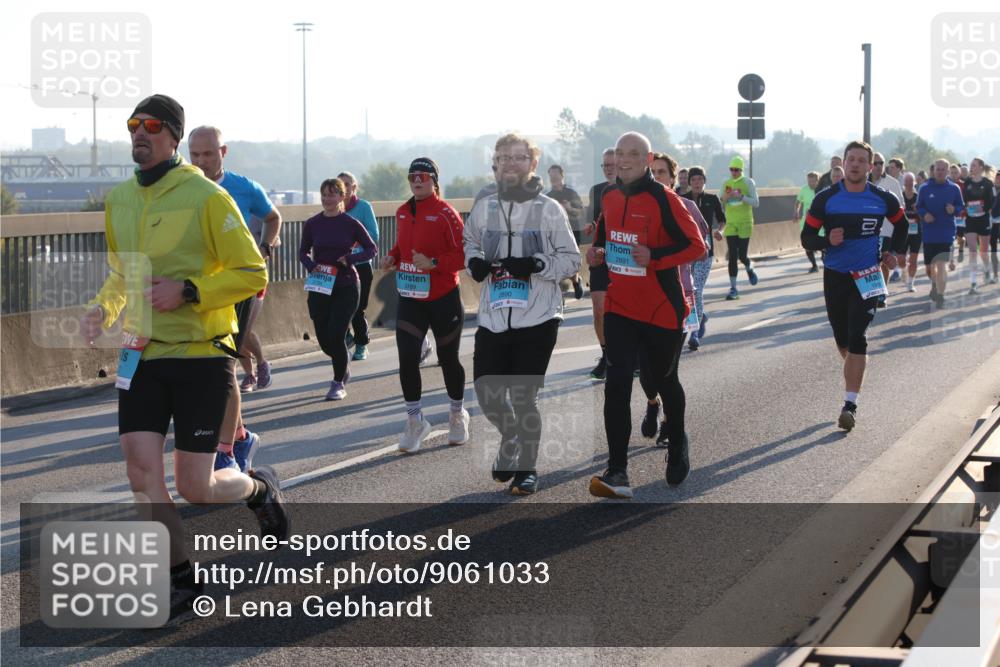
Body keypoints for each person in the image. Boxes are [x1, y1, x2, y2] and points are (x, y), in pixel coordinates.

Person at [79, 94, 288, 621]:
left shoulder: (205, 196)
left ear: (174, 136)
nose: (139, 134)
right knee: (140, 473)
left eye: (150, 126)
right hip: (142, 355)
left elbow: (251, 272)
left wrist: (190, 290)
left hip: (200, 356)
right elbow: (121, 273)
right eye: (133, 126)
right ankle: (179, 577)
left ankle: (259, 487)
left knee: (197, 487)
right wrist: (103, 309)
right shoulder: (121, 199)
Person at [587, 132, 706, 499]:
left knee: (664, 380)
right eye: (619, 153)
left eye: (633, 154)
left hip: (661, 309)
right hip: (621, 307)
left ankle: (678, 439)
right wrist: (597, 253)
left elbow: (696, 246)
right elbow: (606, 238)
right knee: (617, 382)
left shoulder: (665, 199)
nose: (624, 160)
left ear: (647, 157)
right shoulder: (608, 195)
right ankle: (617, 471)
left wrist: (654, 258)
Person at [464, 133, 580, 495]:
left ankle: (527, 469)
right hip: (494, 316)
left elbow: (571, 260)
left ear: (532, 164)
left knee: (523, 396)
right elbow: (470, 242)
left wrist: (534, 263)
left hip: (539, 316)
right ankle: (510, 437)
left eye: (518, 158)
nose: (510, 164)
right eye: (503, 158)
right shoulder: (484, 207)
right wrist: (474, 264)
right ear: (495, 164)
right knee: (487, 392)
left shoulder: (549, 209)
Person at [187, 125, 281, 474]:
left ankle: (225, 451)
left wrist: (266, 246)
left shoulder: (243, 188)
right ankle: (240, 436)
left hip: (243, 285)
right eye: (193, 155)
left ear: (222, 152)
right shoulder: (183, 188)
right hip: (202, 289)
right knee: (208, 369)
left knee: (222, 365)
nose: (200, 162)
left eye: (208, 154)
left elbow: (273, 217)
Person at [801, 140, 908, 431]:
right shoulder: (825, 199)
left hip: (868, 275)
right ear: (844, 163)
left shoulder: (882, 198)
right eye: (851, 159)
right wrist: (826, 241)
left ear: (870, 166)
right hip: (835, 275)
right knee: (843, 341)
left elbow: (902, 224)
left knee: (858, 334)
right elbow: (806, 237)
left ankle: (850, 404)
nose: (856, 164)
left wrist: (894, 252)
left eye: (862, 160)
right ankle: (854, 370)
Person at [381, 158, 469, 453]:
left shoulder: (447, 213)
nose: (416, 181)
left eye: (422, 176)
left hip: (443, 297)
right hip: (410, 296)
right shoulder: (403, 212)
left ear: (433, 180)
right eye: (411, 176)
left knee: (448, 358)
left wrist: (434, 264)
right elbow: (402, 245)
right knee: (407, 356)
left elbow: (464, 255)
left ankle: (457, 413)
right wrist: (392, 256)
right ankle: (415, 419)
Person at [299, 178, 377, 400]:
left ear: (342, 197)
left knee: (336, 334)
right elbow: (302, 252)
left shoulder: (350, 223)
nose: (327, 199)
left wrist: (350, 258)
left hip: (346, 285)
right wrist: (311, 266)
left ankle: (337, 383)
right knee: (325, 341)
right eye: (324, 194)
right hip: (320, 286)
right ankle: (343, 366)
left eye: (332, 194)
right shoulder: (313, 223)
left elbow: (372, 249)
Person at [583, 148, 617, 379]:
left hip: (625, 258)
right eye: (604, 165)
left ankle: (628, 355)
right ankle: (606, 356)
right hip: (600, 257)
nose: (607, 169)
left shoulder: (632, 189)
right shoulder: (597, 191)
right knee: (599, 311)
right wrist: (591, 227)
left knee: (625, 313)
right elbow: (594, 218)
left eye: (611, 165)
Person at [338, 171, 379, 360]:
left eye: (347, 184)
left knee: (357, 308)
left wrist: (353, 242)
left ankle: (362, 344)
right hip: (339, 267)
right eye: (340, 184)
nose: (344, 187)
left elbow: (374, 235)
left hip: (361, 264)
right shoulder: (334, 207)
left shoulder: (363, 207)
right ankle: (346, 337)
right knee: (336, 307)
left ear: (354, 187)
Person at [683, 165, 725, 343]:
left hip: (705, 251)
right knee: (686, 291)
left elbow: (722, 220)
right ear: (689, 182)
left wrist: (720, 231)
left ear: (705, 181)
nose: (697, 183)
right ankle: (701, 316)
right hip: (685, 252)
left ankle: (695, 331)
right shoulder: (682, 199)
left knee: (697, 290)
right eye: (693, 180)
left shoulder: (712, 198)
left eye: (700, 179)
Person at [917, 159, 966, 308]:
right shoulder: (924, 188)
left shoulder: (954, 188)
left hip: (946, 232)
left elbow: (960, 206)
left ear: (947, 171)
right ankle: (934, 285)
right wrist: (924, 214)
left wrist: (954, 210)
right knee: (930, 268)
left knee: (941, 264)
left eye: (943, 169)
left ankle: (940, 296)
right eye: (938, 169)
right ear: (933, 170)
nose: (940, 172)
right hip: (929, 233)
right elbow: (919, 207)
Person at [722, 155, 760, 300]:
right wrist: (727, 195)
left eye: (737, 170)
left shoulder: (748, 182)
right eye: (732, 169)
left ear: (741, 170)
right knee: (732, 255)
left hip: (745, 222)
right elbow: (722, 200)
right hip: (730, 223)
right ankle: (733, 288)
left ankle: (749, 268)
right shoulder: (726, 183)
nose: (734, 172)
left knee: (742, 255)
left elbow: (756, 203)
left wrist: (741, 197)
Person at [546, 164, 586, 299]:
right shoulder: (548, 196)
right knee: (557, 262)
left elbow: (580, 212)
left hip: (573, 231)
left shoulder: (571, 193)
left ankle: (576, 280)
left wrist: (569, 208)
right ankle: (560, 293)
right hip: (555, 233)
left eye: (556, 176)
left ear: (562, 176)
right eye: (551, 176)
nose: (553, 179)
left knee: (570, 261)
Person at [870, 152, 905, 301]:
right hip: (868, 230)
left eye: (881, 163)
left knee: (883, 262)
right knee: (870, 263)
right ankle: (873, 291)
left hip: (886, 230)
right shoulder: (862, 182)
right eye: (875, 163)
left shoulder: (892, 183)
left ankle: (882, 293)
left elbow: (901, 206)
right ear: (870, 165)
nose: (878, 166)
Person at [961, 158, 995, 294]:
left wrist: (983, 208)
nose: (971, 167)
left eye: (974, 165)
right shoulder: (967, 182)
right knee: (973, 251)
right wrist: (966, 208)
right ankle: (973, 282)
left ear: (981, 167)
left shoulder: (988, 183)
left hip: (984, 220)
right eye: (971, 165)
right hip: (970, 220)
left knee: (984, 252)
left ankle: (987, 271)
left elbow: (992, 202)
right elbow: (963, 199)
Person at [795, 171, 822, 272]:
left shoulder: (822, 190)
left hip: (821, 223)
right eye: (809, 181)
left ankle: (825, 259)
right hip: (806, 222)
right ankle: (814, 265)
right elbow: (798, 202)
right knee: (807, 244)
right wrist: (796, 212)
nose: (810, 183)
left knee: (823, 245)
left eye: (813, 181)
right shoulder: (804, 189)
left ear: (817, 181)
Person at [901, 172, 922, 292]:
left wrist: (918, 210)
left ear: (914, 182)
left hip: (916, 232)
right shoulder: (901, 197)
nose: (908, 184)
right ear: (903, 183)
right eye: (906, 181)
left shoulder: (918, 197)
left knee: (913, 260)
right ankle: (904, 271)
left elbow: (924, 216)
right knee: (901, 260)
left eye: (911, 181)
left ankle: (911, 283)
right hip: (903, 233)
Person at [991, 169, 1000, 284]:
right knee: (993, 249)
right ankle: (995, 274)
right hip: (992, 222)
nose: (998, 180)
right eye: (997, 178)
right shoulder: (991, 189)